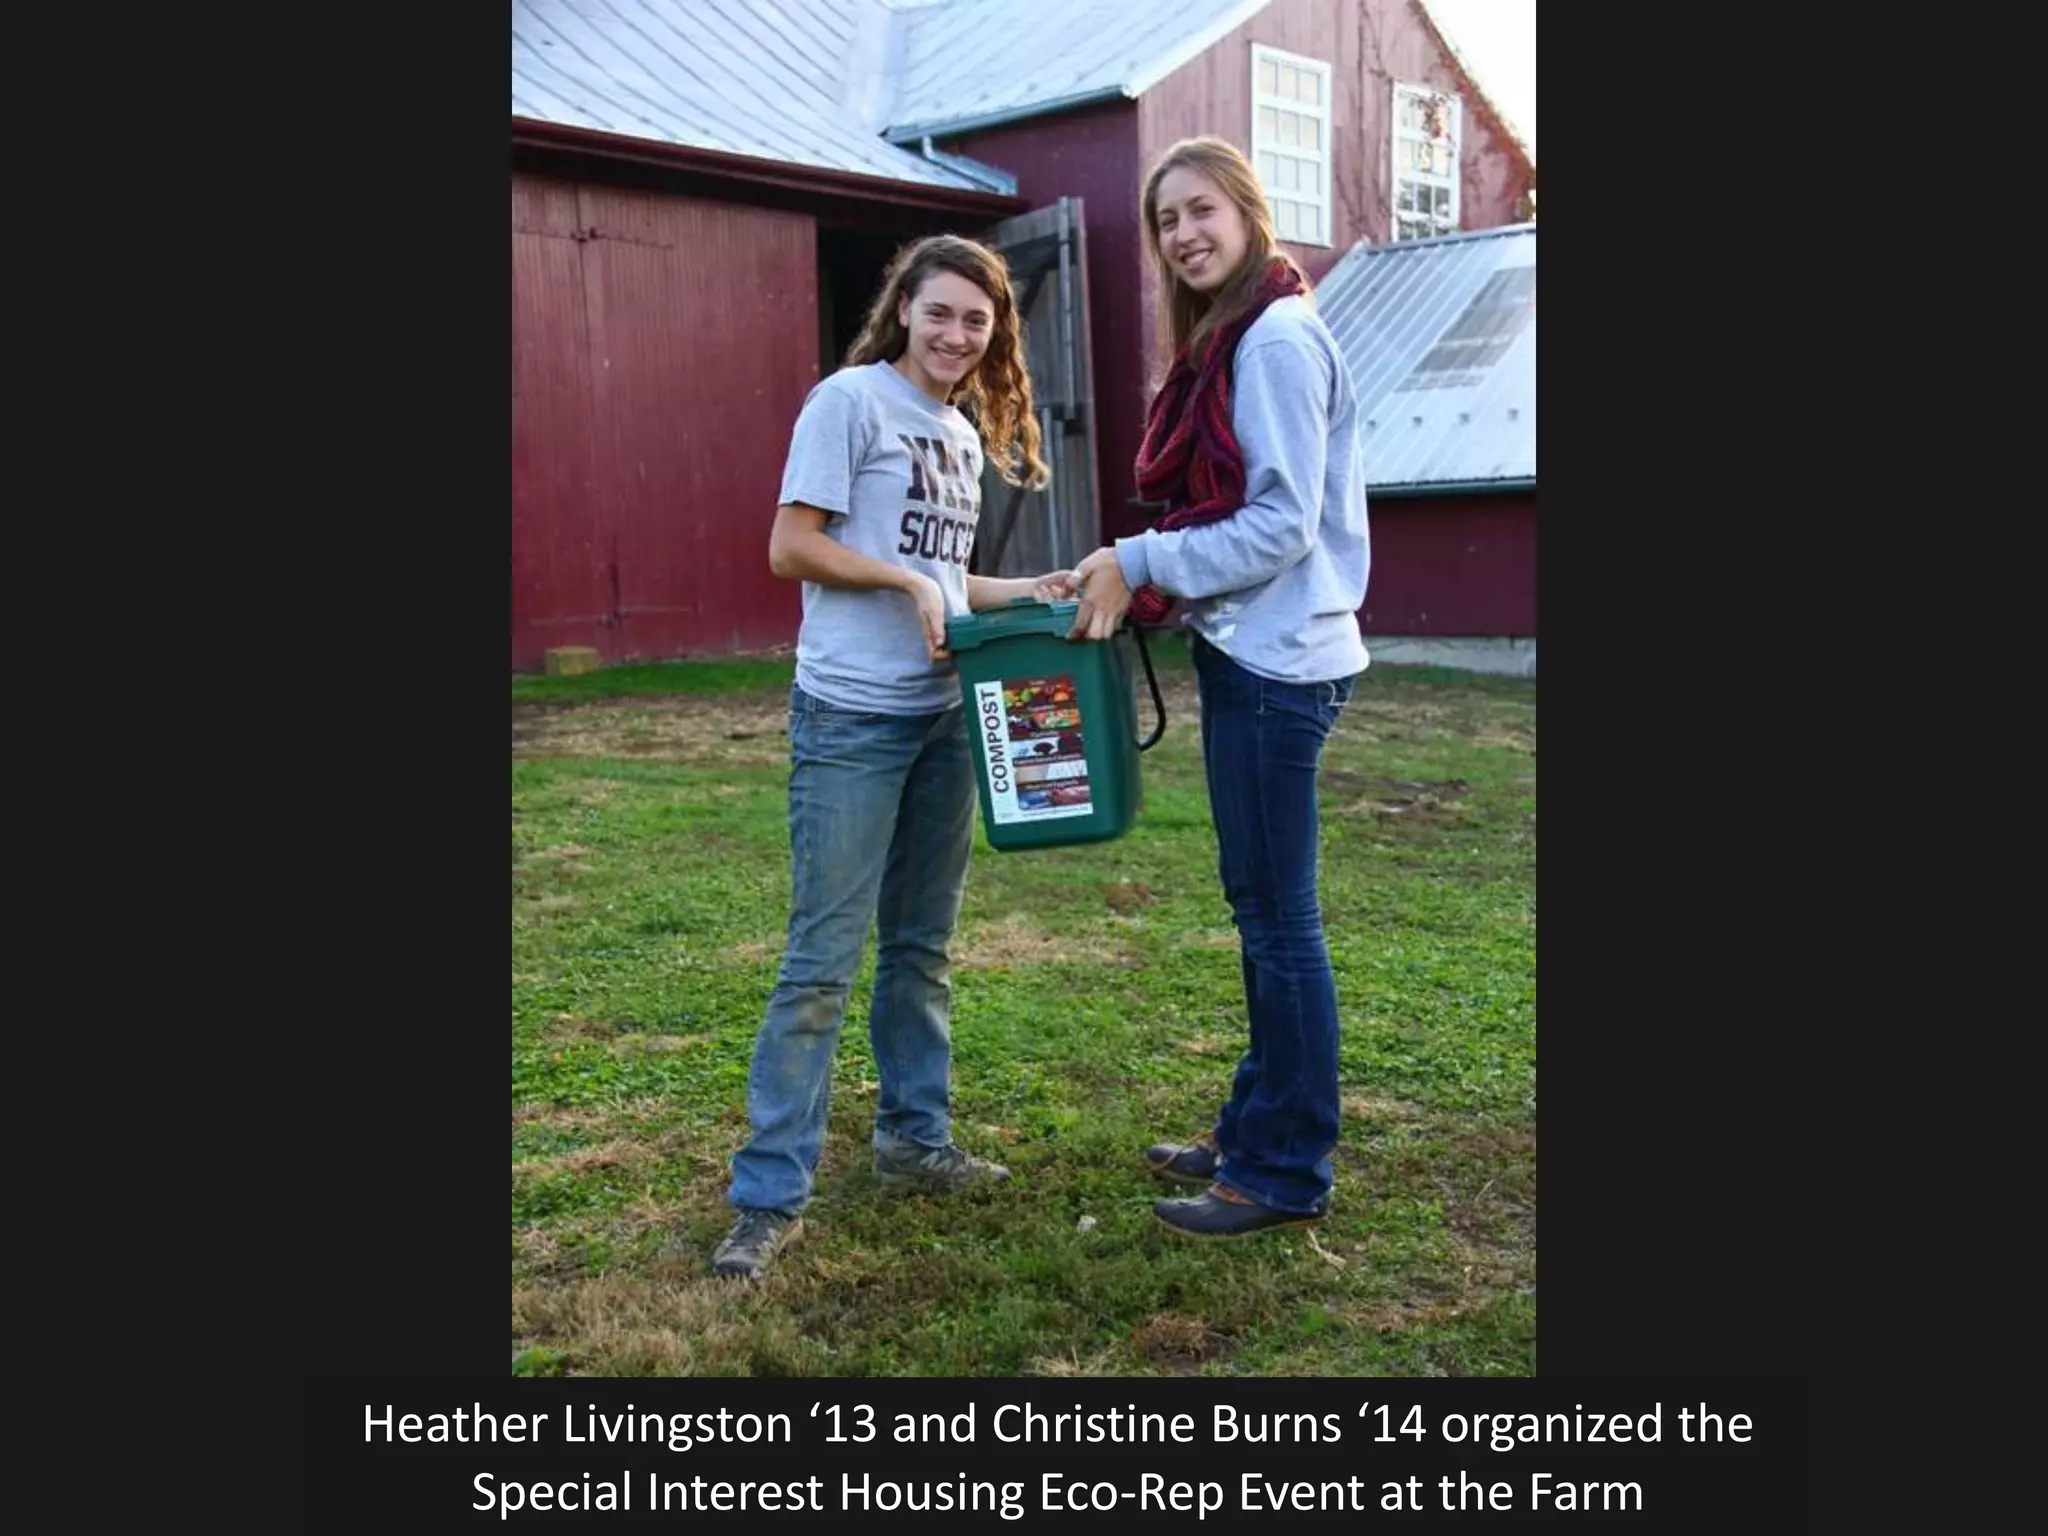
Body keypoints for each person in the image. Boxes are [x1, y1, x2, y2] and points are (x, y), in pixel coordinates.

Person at [712, 235, 1072, 1280]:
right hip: (853, 720)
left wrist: (1030, 587)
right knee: (820, 964)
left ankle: (914, 1142)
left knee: (920, 948)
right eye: (942, 313)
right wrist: (912, 589)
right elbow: (792, 544)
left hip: (941, 721)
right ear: (902, 310)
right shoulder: (849, 403)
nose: (959, 334)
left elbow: (947, 576)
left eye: (978, 319)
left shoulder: (955, 434)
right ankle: (767, 1197)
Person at [1066, 136, 1370, 1239]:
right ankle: (1255, 1128)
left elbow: (1280, 524)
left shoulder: (1275, 340)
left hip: (1278, 663)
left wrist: (1139, 562)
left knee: (1278, 922)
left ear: (1246, 210)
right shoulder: (1240, 337)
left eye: (1201, 210)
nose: (1183, 234)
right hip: (1262, 651)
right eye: (1165, 220)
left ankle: (1280, 1172)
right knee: (1263, 916)